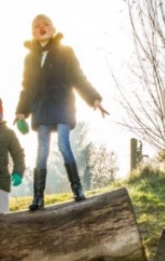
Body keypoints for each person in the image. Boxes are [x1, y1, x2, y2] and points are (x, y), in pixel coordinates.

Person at [14, 13, 109, 211]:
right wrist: (21, 111)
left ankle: (77, 189)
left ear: (53, 29)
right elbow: (27, 87)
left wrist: (94, 98)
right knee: (42, 150)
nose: (42, 27)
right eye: (37, 26)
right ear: (32, 32)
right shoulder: (29, 59)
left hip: (62, 105)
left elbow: (78, 78)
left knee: (64, 144)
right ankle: (38, 197)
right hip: (41, 108)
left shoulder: (66, 52)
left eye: (46, 24)